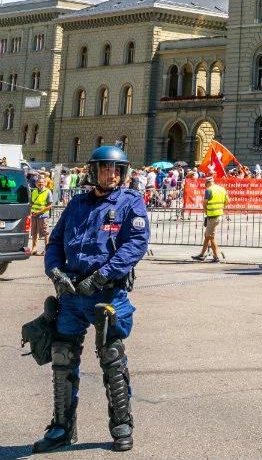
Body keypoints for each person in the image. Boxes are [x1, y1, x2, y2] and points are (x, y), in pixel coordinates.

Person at [35, 146, 148, 453]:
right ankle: (61, 427)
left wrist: (102, 275)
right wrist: (55, 272)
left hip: (106, 294)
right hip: (71, 295)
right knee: (62, 358)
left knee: (112, 359)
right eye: (105, 169)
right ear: (93, 171)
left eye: (116, 170)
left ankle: (122, 425)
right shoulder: (77, 204)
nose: (110, 175)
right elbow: (56, 242)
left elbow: (135, 244)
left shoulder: (130, 203)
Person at [192, 176, 226, 263]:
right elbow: (227, 201)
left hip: (212, 216)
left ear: (208, 182)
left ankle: (216, 257)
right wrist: (221, 208)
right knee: (207, 235)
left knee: (211, 236)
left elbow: (204, 203)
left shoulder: (209, 190)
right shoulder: (222, 189)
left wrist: (206, 212)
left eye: (205, 184)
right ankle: (202, 255)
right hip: (218, 215)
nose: (205, 186)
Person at [29, 174, 53, 256]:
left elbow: (50, 205)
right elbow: (31, 203)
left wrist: (39, 212)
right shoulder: (34, 191)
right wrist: (30, 212)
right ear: (36, 184)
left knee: (45, 233)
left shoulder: (47, 191)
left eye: (42, 182)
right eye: (39, 182)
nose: (40, 184)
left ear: (45, 183)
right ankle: (34, 248)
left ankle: (47, 249)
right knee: (34, 233)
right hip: (34, 215)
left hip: (43, 216)